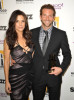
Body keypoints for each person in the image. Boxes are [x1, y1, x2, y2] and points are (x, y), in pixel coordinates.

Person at [31, 4, 71, 100]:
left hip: (54, 77)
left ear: (54, 18)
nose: (47, 18)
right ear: (40, 17)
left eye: (50, 15)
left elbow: (67, 55)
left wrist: (61, 69)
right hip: (36, 76)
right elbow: (26, 52)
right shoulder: (31, 33)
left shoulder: (61, 34)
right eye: (44, 15)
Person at [4, 10, 34, 100]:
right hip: (16, 77)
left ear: (26, 23)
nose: (20, 24)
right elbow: (6, 61)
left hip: (29, 76)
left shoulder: (29, 37)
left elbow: (32, 56)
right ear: (13, 23)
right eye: (17, 21)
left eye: (22, 21)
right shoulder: (9, 39)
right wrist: (7, 82)